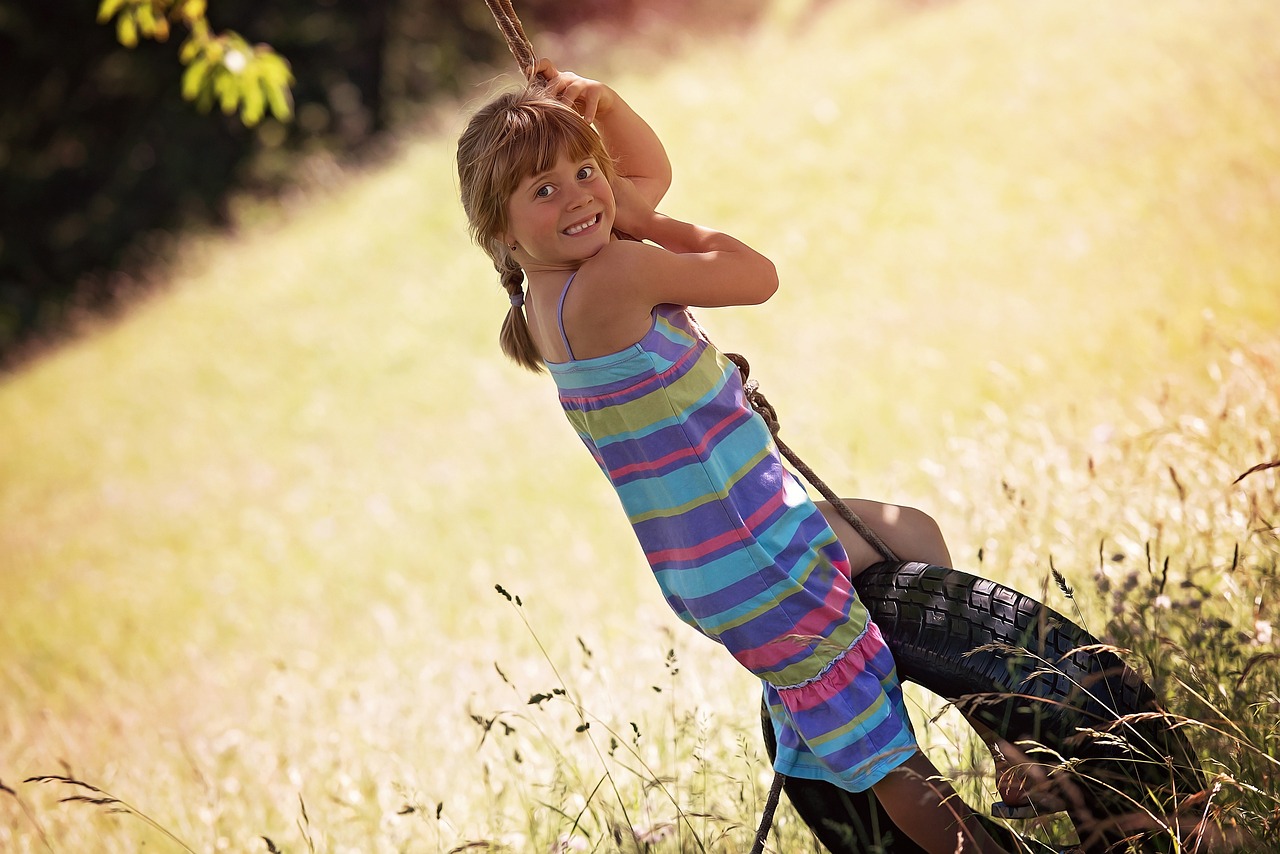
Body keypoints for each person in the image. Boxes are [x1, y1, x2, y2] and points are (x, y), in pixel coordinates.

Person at [457, 59, 1012, 854]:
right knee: (894, 763)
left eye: (585, 172)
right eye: (545, 190)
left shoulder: (547, 299)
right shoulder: (616, 271)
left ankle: (1008, 745)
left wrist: (606, 109)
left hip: (727, 557)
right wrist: (649, 220)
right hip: (762, 558)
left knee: (911, 535)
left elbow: (645, 176)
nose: (580, 195)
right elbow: (756, 277)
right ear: (503, 231)